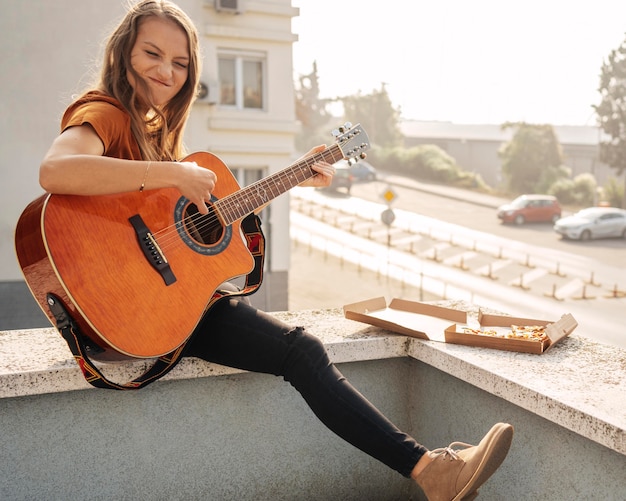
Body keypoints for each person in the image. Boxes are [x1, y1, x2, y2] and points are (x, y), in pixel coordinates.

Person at [38, 1, 514, 499]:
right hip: (124, 302)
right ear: (123, 54)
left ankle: (434, 473)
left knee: (301, 350)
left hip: (156, 301)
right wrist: (174, 171)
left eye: (180, 64)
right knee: (303, 352)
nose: (166, 71)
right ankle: (431, 471)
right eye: (152, 54)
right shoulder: (105, 113)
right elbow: (55, 170)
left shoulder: (152, 128)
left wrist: (293, 178)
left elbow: (183, 225)